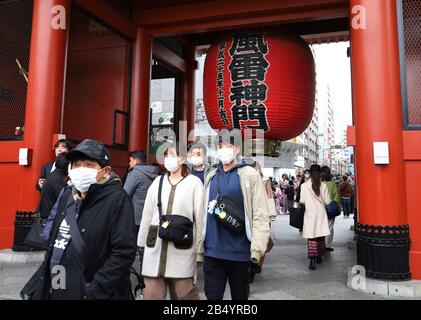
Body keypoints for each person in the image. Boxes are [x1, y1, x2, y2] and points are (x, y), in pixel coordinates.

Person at [22, 139, 137, 300]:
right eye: (76, 165)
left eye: (89, 165)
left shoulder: (117, 199)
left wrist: (96, 290)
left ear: (105, 171)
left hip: (91, 290)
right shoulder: (68, 196)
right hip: (59, 282)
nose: (81, 169)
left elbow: (123, 252)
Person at [196, 129, 270, 300]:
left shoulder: (249, 174)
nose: (223, 149)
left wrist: (257, 250)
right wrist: (199, 246)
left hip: (240, 253)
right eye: (220, 146)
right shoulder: (211, 175)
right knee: (212, 298)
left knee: (240, 298)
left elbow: (260, 213)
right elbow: (202, 214)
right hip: (212, 252)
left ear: (237, 149)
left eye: (228, 145)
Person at [138, 143, 203, 300]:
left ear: (182, 158)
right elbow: (147, 214)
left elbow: (200, 219)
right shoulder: (157, 182)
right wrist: (141, 243)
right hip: (155, 250)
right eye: (166, 156)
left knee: (184, 296)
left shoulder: (194, 183)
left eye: (172, 155)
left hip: (183, 250)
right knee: (151, 295)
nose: (168, 159)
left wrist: (200, 250)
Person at [123, 150, 159, 295]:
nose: (129, 163)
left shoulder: (135, 173)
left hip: (135, 218)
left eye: (130, 160)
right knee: (147, 251)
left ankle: (140, 284)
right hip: (151, 218)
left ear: (137, 160)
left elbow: (124, 194)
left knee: (130, 251)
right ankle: (149, 285)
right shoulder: (155, 173)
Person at [299, 164, 331, 270]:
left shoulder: (304, 186)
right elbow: (327, 201)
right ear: (320, 172)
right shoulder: (324, 185)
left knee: (311, 236)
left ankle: (312, 260)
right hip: (321, 213)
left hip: (310, 214)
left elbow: (302, 201)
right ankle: (319, 257)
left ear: (310, 173)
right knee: (320, 236)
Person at [37, 153, 69, 219]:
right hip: (51, 218)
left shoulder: (54, 175)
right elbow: (64, 199)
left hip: (47, 215)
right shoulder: (59, 179)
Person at [321, 166, 341, 252]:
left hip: (319, 208)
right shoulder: (332, 184)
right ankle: (327, 245)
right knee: (329, 227)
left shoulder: (317, 183)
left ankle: (319, 244)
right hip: (330, 209)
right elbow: (336, 197)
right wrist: (337, 207)